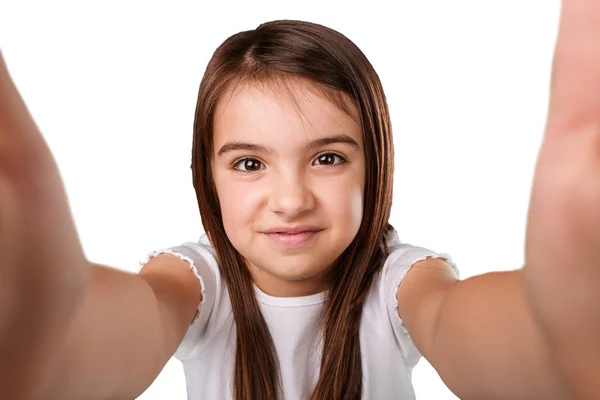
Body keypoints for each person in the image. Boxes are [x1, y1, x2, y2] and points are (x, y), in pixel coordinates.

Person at [0, 2, 599, 399]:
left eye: (328, 158)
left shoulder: (400, 282)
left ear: (376, 165)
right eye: (250, 164)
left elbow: (467, 326)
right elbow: (117, 328)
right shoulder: (194, 283)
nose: (289, 199)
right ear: (206, 176)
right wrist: (51, 339)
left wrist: (558, 339)